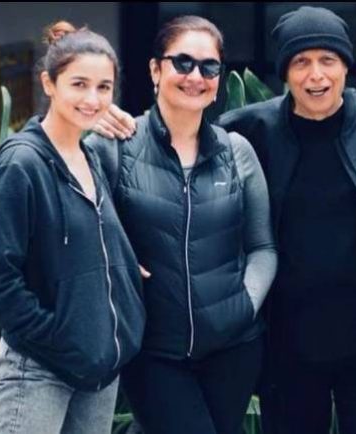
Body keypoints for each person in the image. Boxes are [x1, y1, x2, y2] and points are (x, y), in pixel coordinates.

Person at [93, 7, 356, 433]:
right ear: (285, 72)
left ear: (346, 66)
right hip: (287, 346)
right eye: (301, 62)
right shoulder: (249, 130)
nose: (316, 75)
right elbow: (176, 145)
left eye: (328, 60)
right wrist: (106, 117)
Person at [86, 15, 276, 434]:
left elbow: (263, 247)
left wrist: (245, 306)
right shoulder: (113, 146)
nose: (196, 77)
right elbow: (80, 228)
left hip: (233, 350)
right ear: (156, 70)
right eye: (183, 62)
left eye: (209, 67)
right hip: (152, 349)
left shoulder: (236, 152)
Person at [0, 21, 145, 434]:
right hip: (39, 369)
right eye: (79, 84)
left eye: (104, 87)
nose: (93, 99)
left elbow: (99, 243)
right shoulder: (22, 163)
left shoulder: (90, 157)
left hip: (97, 368)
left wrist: (123, 285)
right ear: (49, 84)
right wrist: (60, 338)